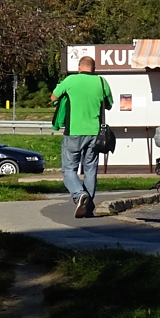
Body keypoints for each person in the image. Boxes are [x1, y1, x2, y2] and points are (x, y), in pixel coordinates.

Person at [51, 55, 113, 219]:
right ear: (94, 68)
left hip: (73, 131)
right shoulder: (101, 82)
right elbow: (109, 105)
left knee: (69, 169)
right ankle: (88, 208)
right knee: (90, 170)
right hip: (95, 133)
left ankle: (79, 195)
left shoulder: (70, 80)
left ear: (79, 67)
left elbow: (53, 97)